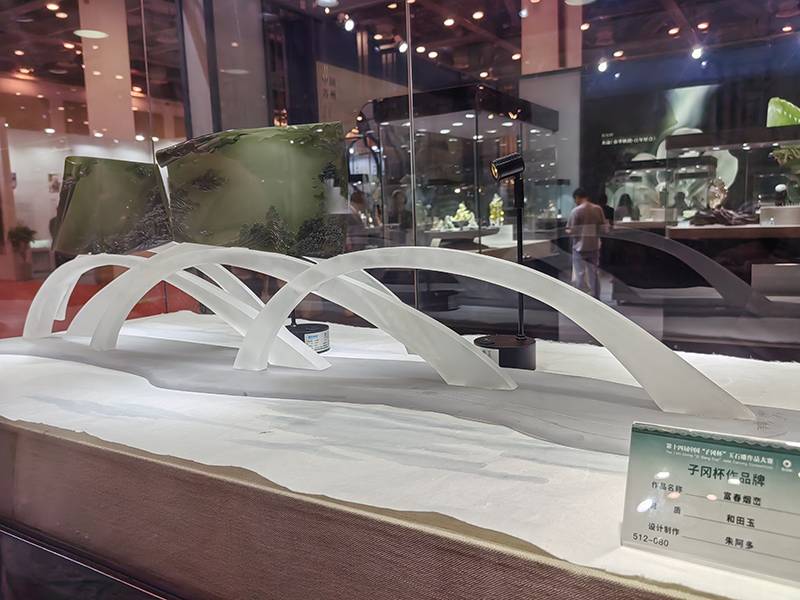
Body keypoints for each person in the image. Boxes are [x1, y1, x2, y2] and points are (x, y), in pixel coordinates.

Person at [567, 187, 607, 299]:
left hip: (579, 247)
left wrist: (568, 232)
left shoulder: (576, 211)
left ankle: (581, 299)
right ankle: (596, 297)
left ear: (577, 198)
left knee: (580, 274)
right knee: (594, 273)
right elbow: (603, 228)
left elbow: (572, 230)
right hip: (594, 245)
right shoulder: (597, 209)